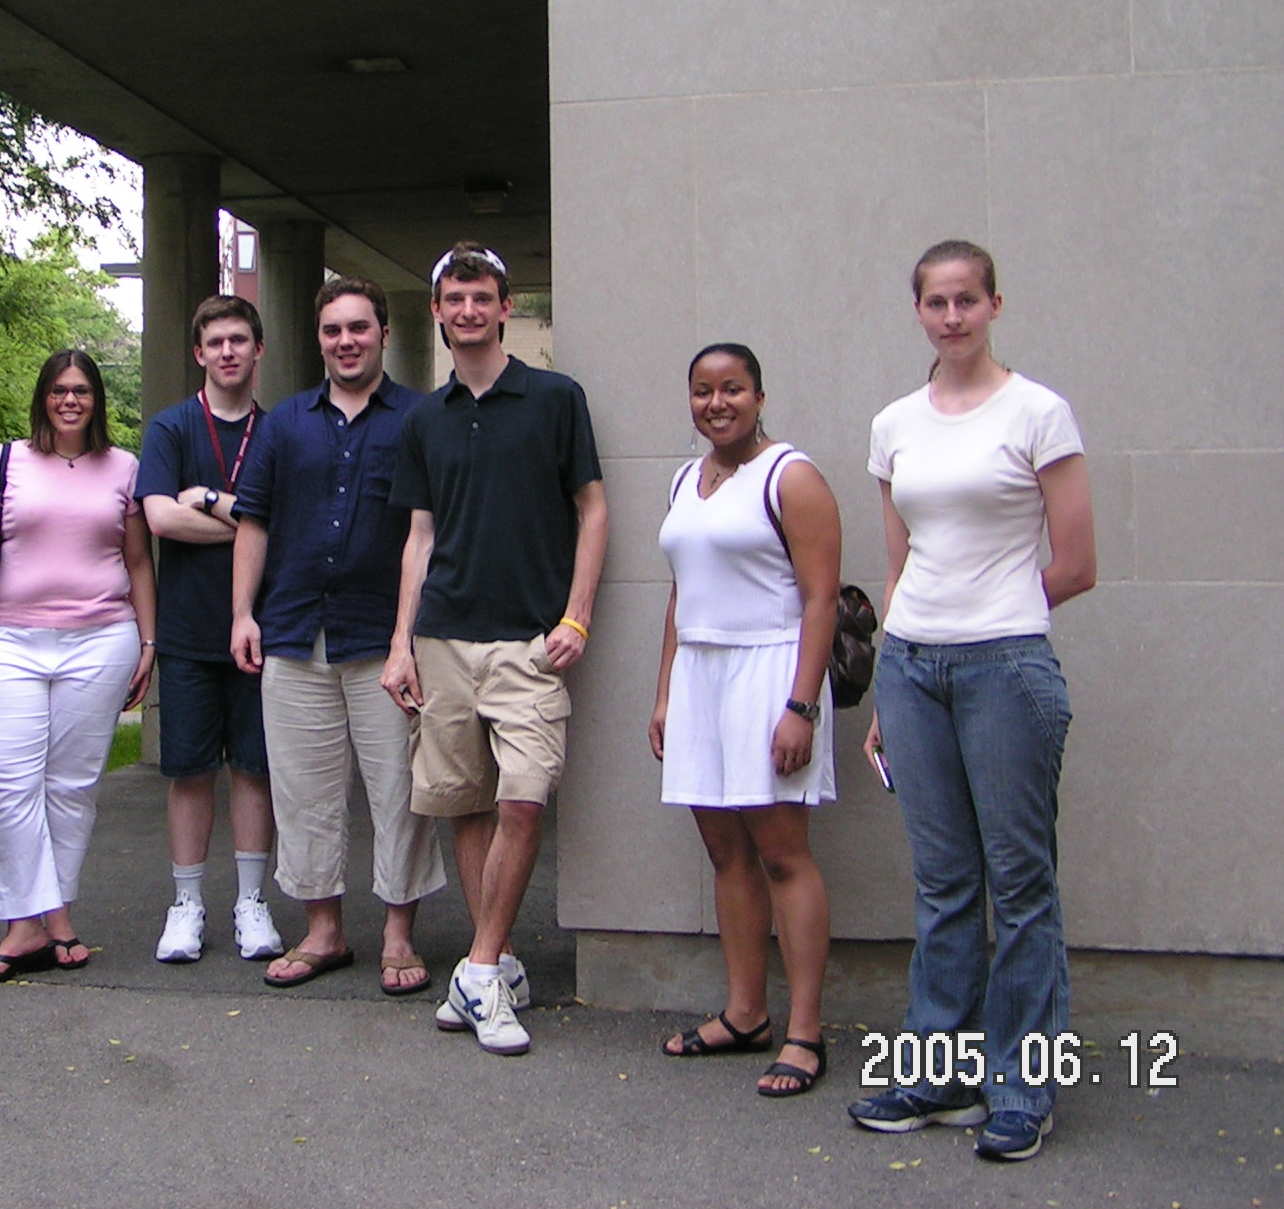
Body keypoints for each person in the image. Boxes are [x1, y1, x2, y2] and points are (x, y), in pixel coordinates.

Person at [847, 240, 1096, 1163]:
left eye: (966, 300)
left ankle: (1023, 1091)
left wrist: (996, 616)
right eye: (935, 302)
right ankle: (939, 1075)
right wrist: (889, 683)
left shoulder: (1038, 413)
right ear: (917, 311)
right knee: (944, 882)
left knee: (1021, 884)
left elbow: (1077, 562)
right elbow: (900, 562)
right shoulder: (894, 425)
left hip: (1006, 668)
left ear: (994, 304)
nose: (951, 316)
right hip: (913, 670)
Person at [382, 242, 609, 1056]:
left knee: (524, 799)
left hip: (530, 643)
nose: (469, 310)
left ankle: (475, 970)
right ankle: (497, 964)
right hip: (443, 636)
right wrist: (401, 644)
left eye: (482, 297)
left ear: (506, 307)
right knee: (467, 804)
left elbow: (592, 509)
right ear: (437, 311)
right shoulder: (423, 419)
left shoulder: (555, 398)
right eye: (455, 298)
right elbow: (419, 537)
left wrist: (576, 617)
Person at [231, 277, 445, 992]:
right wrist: (242, 613)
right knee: (304, 794)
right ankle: (323, 932)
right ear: (319, 339)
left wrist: (409, 639)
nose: (346, 341)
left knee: (400, 795)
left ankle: (398, 935)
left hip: (387, 641)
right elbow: (253, 521)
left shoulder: (419, 418)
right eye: (332, 330)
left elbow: (428, 532)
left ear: (385, 332)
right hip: (294, 632)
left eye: (358, 327)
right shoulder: (284, 424)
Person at [649, 343, 839, 1098]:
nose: (716, 403)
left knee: (783, 854)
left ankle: (805, 1032)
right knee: (725, 852)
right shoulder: (684, 481)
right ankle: (746, 1012)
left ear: (759, 396)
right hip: (699, 675)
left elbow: (821, 600)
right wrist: (665, 694)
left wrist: (801, 706)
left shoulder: (791, 476)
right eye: (703, 390)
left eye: (732, 389)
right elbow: (680, 594)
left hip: (770, 671)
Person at [0, 351, 155, 981]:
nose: (70, 400)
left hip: (102, 640)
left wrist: (149, 644)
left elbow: (138, 561)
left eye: (82, 390)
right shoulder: (6, 460)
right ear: (43, 396)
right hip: (11, 640)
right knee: (3, 777)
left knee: (71, 785)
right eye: (60, 390)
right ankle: (31, 921)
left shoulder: (124, 467)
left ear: (97, 400)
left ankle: (46, 920)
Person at [137, 297, 285, 965]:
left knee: (255, 769)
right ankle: (187, 905)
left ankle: (252, 902)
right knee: (191, 771)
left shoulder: (279, 432)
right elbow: (160, 519)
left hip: (262, 631)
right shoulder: (171, 428)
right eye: (216, 342)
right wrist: (253, 524)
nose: (228, 351)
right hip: (189, 632)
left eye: (239, 340)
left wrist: (208, 499)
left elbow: (286, 524)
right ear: (199, 353)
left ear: (259, 349)